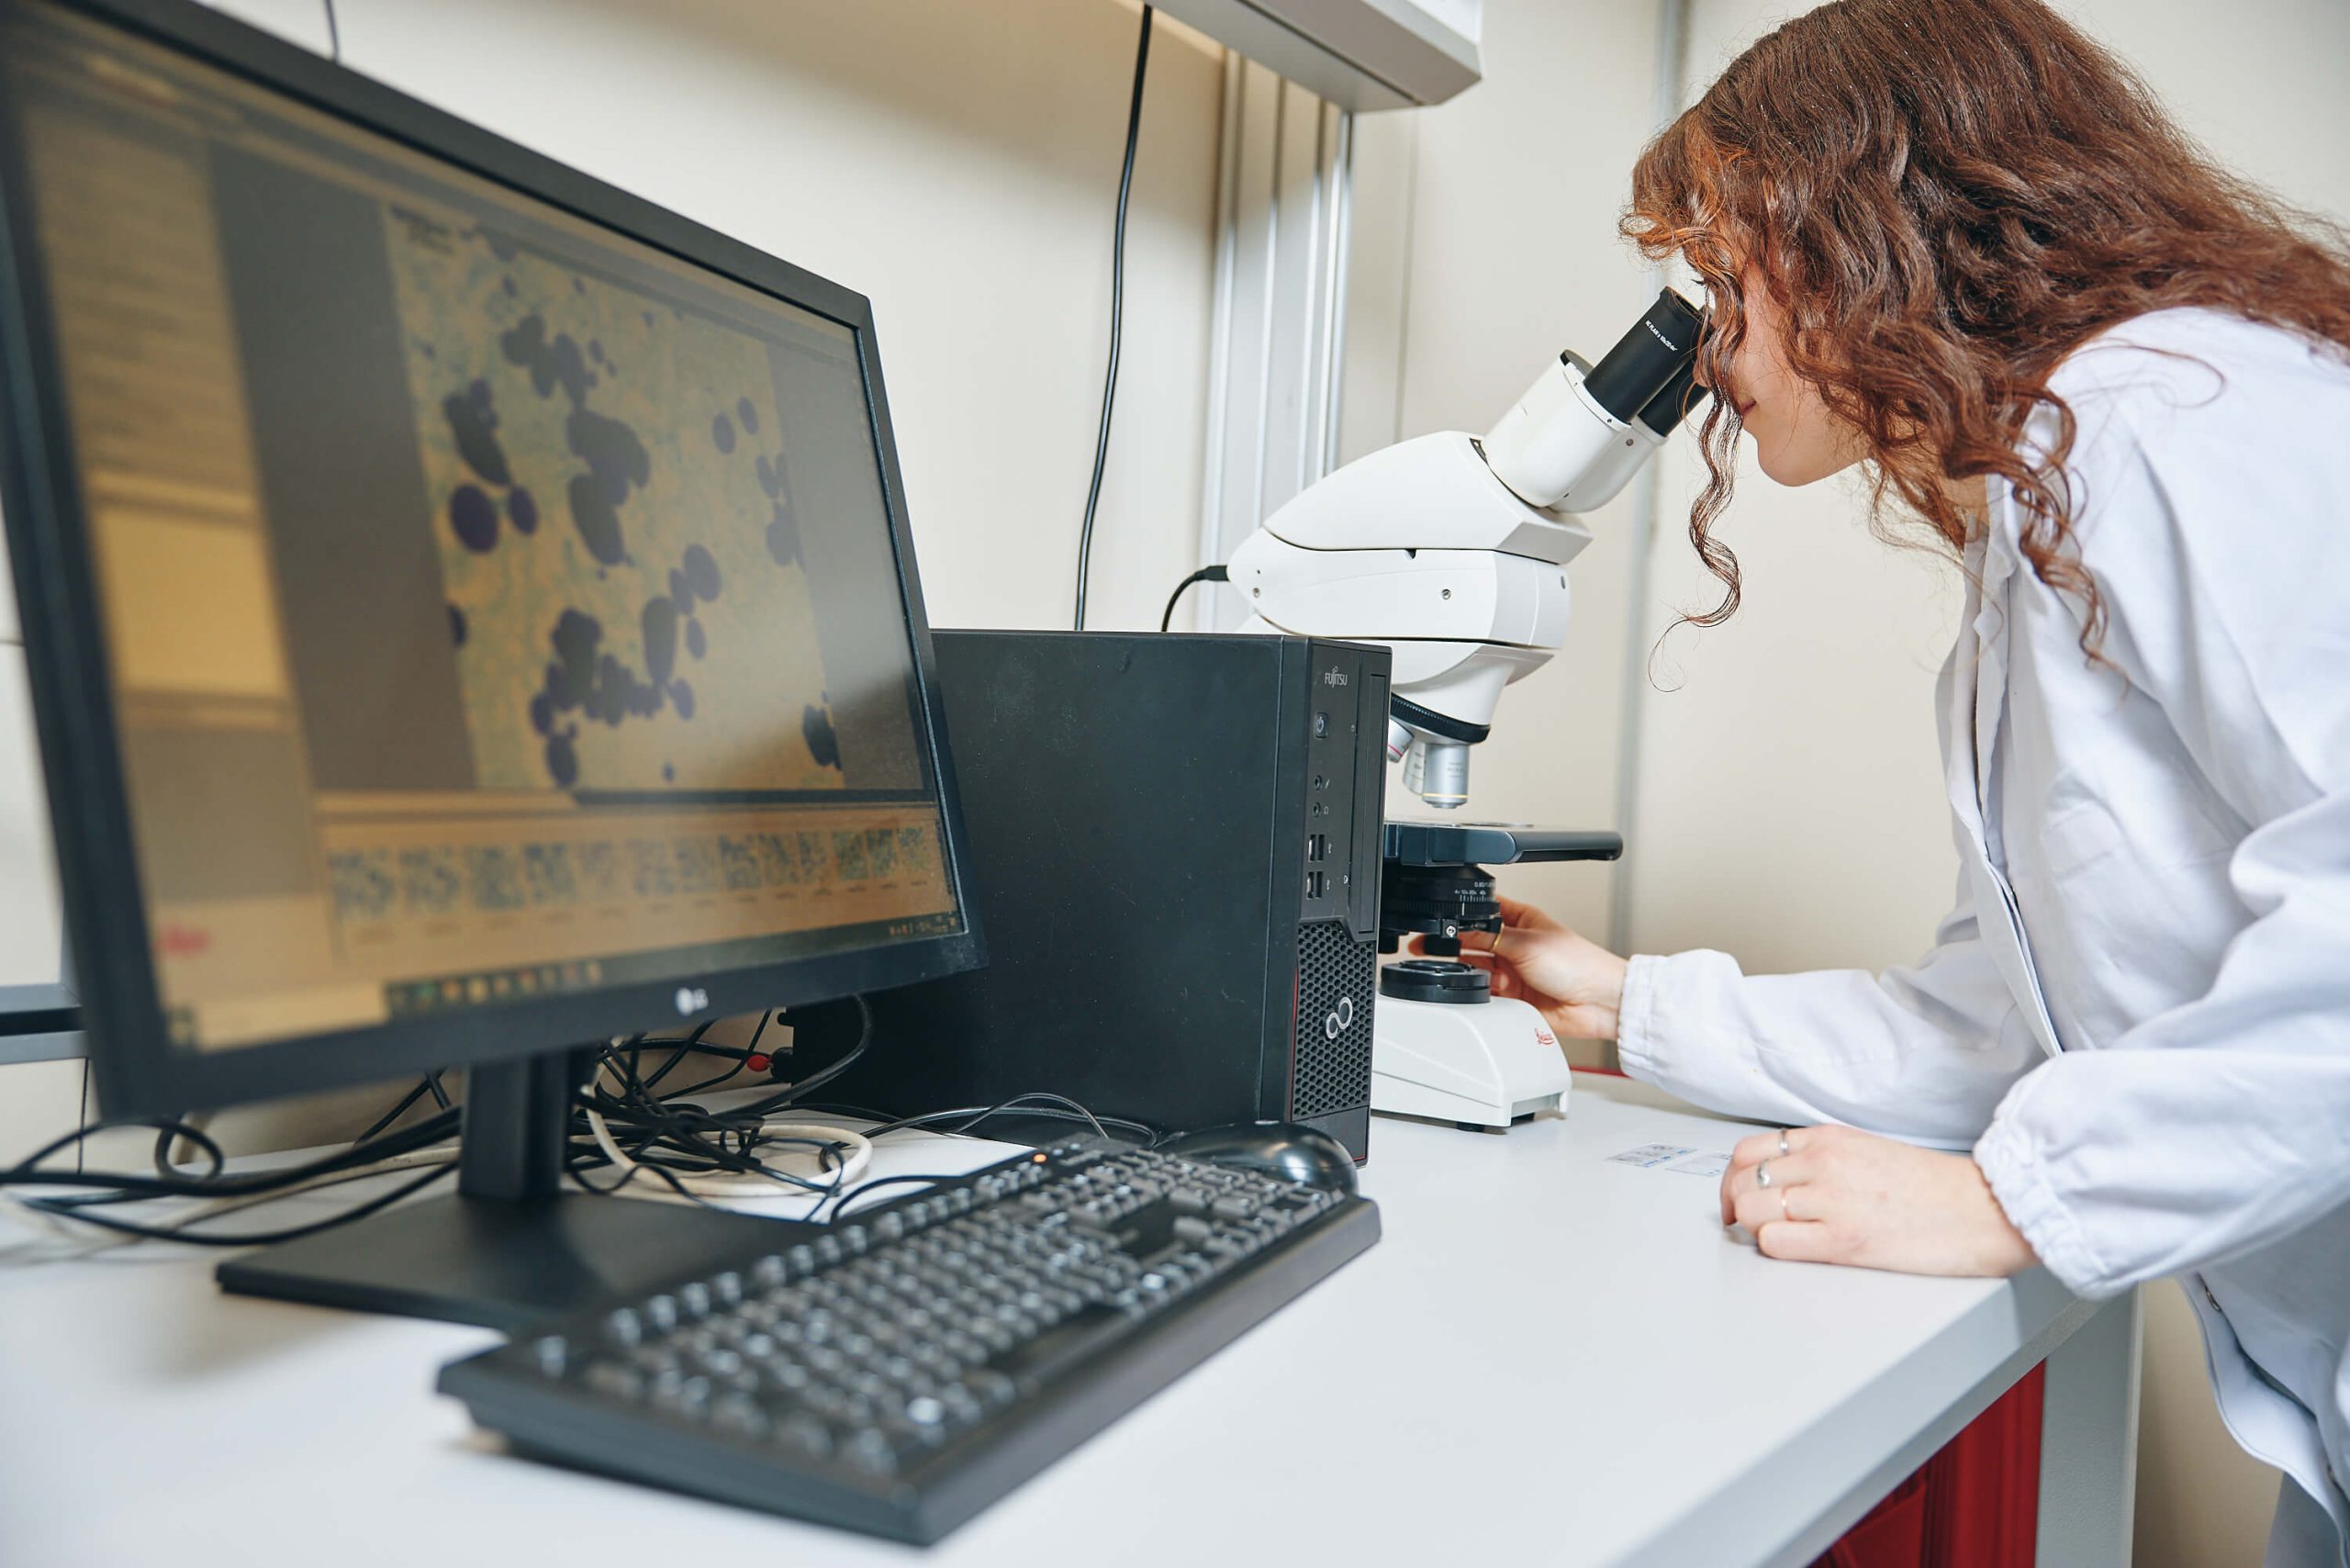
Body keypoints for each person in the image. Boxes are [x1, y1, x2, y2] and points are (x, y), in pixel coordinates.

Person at [1434, 1, 2350, 1561]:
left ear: (1867, 225)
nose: (1708, 352)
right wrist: (1620, 1003)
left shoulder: (2171, 415)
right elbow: (2005, 1025)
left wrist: (2009, 1212)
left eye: (1725, 281)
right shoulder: (2046, 506)